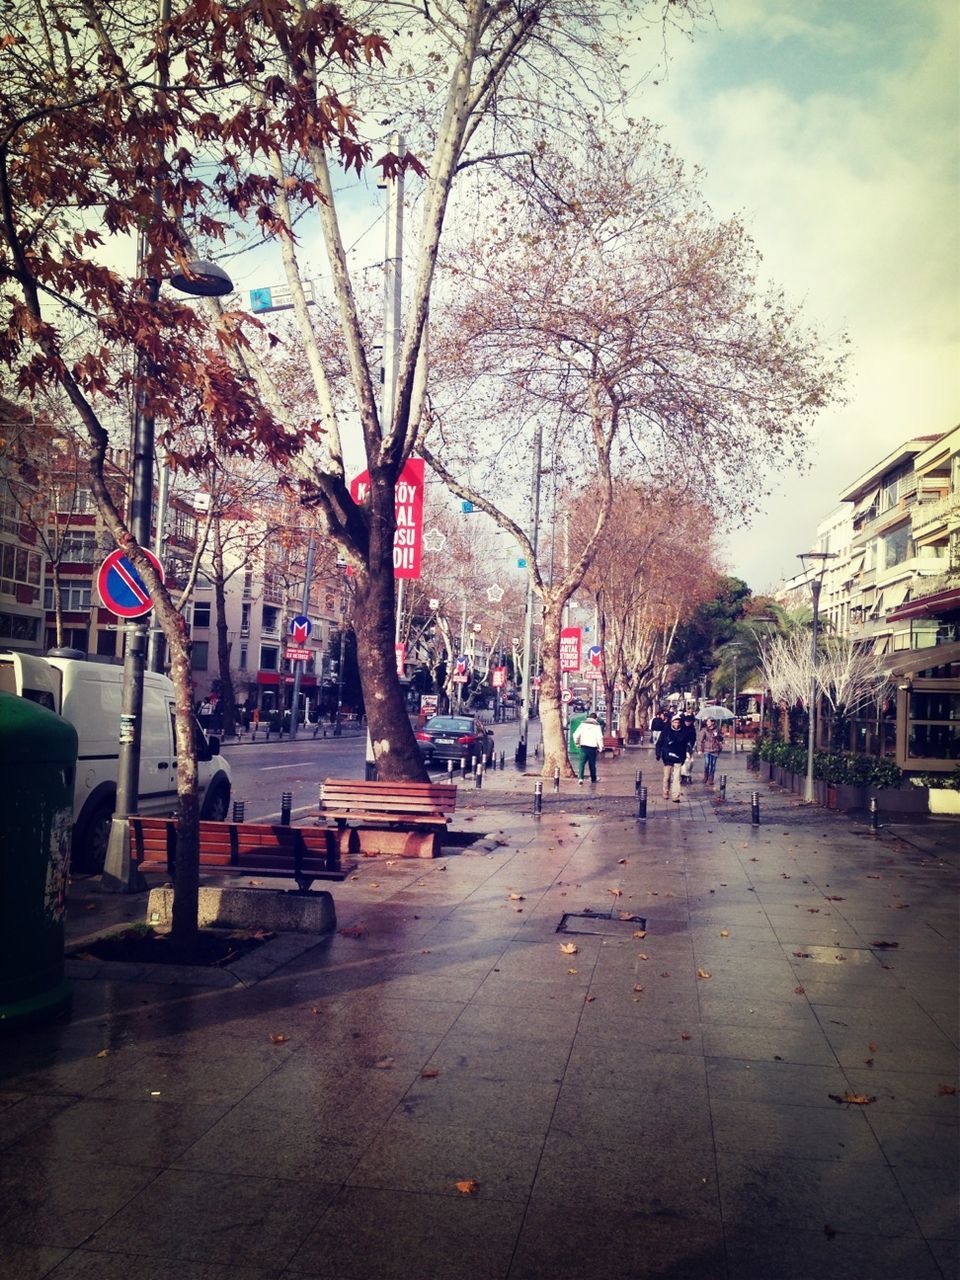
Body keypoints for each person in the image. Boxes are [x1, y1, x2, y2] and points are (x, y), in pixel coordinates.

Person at [656, 713, 688, 802]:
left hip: (678, 758)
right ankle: (665, 792)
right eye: (675, 722)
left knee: (677, 778)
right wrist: (658, 753)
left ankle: (675, 796)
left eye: (678, 722)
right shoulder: (666, 731)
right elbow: (659, 743)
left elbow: (684, 746)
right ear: (672, 722)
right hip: (667, 758)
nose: (676, 724)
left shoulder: (683, 733)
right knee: (667, 777)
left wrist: (683, 757)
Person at [573, 711, 604, 784]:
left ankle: (580, 778)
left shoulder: (582, 724)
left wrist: (577, 743)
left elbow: (575, 735)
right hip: (593, 748)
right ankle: (593, 778)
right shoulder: (597, 726)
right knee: (592, 764)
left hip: (583, 746)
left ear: (589, 717)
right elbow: (599, 737)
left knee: (581, 763)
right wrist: (601, 747)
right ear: (595, 718)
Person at [699, 718, 724, 785]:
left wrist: (717, 735)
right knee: (707, 764)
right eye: (707, 721)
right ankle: (705, 777)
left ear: (712, 722)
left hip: (715, 749)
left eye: (709, 721)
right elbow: (700, 740)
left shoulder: (717, 730)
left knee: (712, 765)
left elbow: (721, 739)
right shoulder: (704, 730)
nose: (707, 722)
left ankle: (711, 778)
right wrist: (700, 749)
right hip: (707, 749)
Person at [680, 713, 697, 784]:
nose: (687, 723)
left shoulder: (692, 729)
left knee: (689, 763)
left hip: (690, 748)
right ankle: (682, 777)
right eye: (686, 722)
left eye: (689, 722)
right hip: (681, 748)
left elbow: (694, 738)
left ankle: (688, 775)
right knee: (682, 763)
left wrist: (691, 744)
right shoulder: (682, 728)